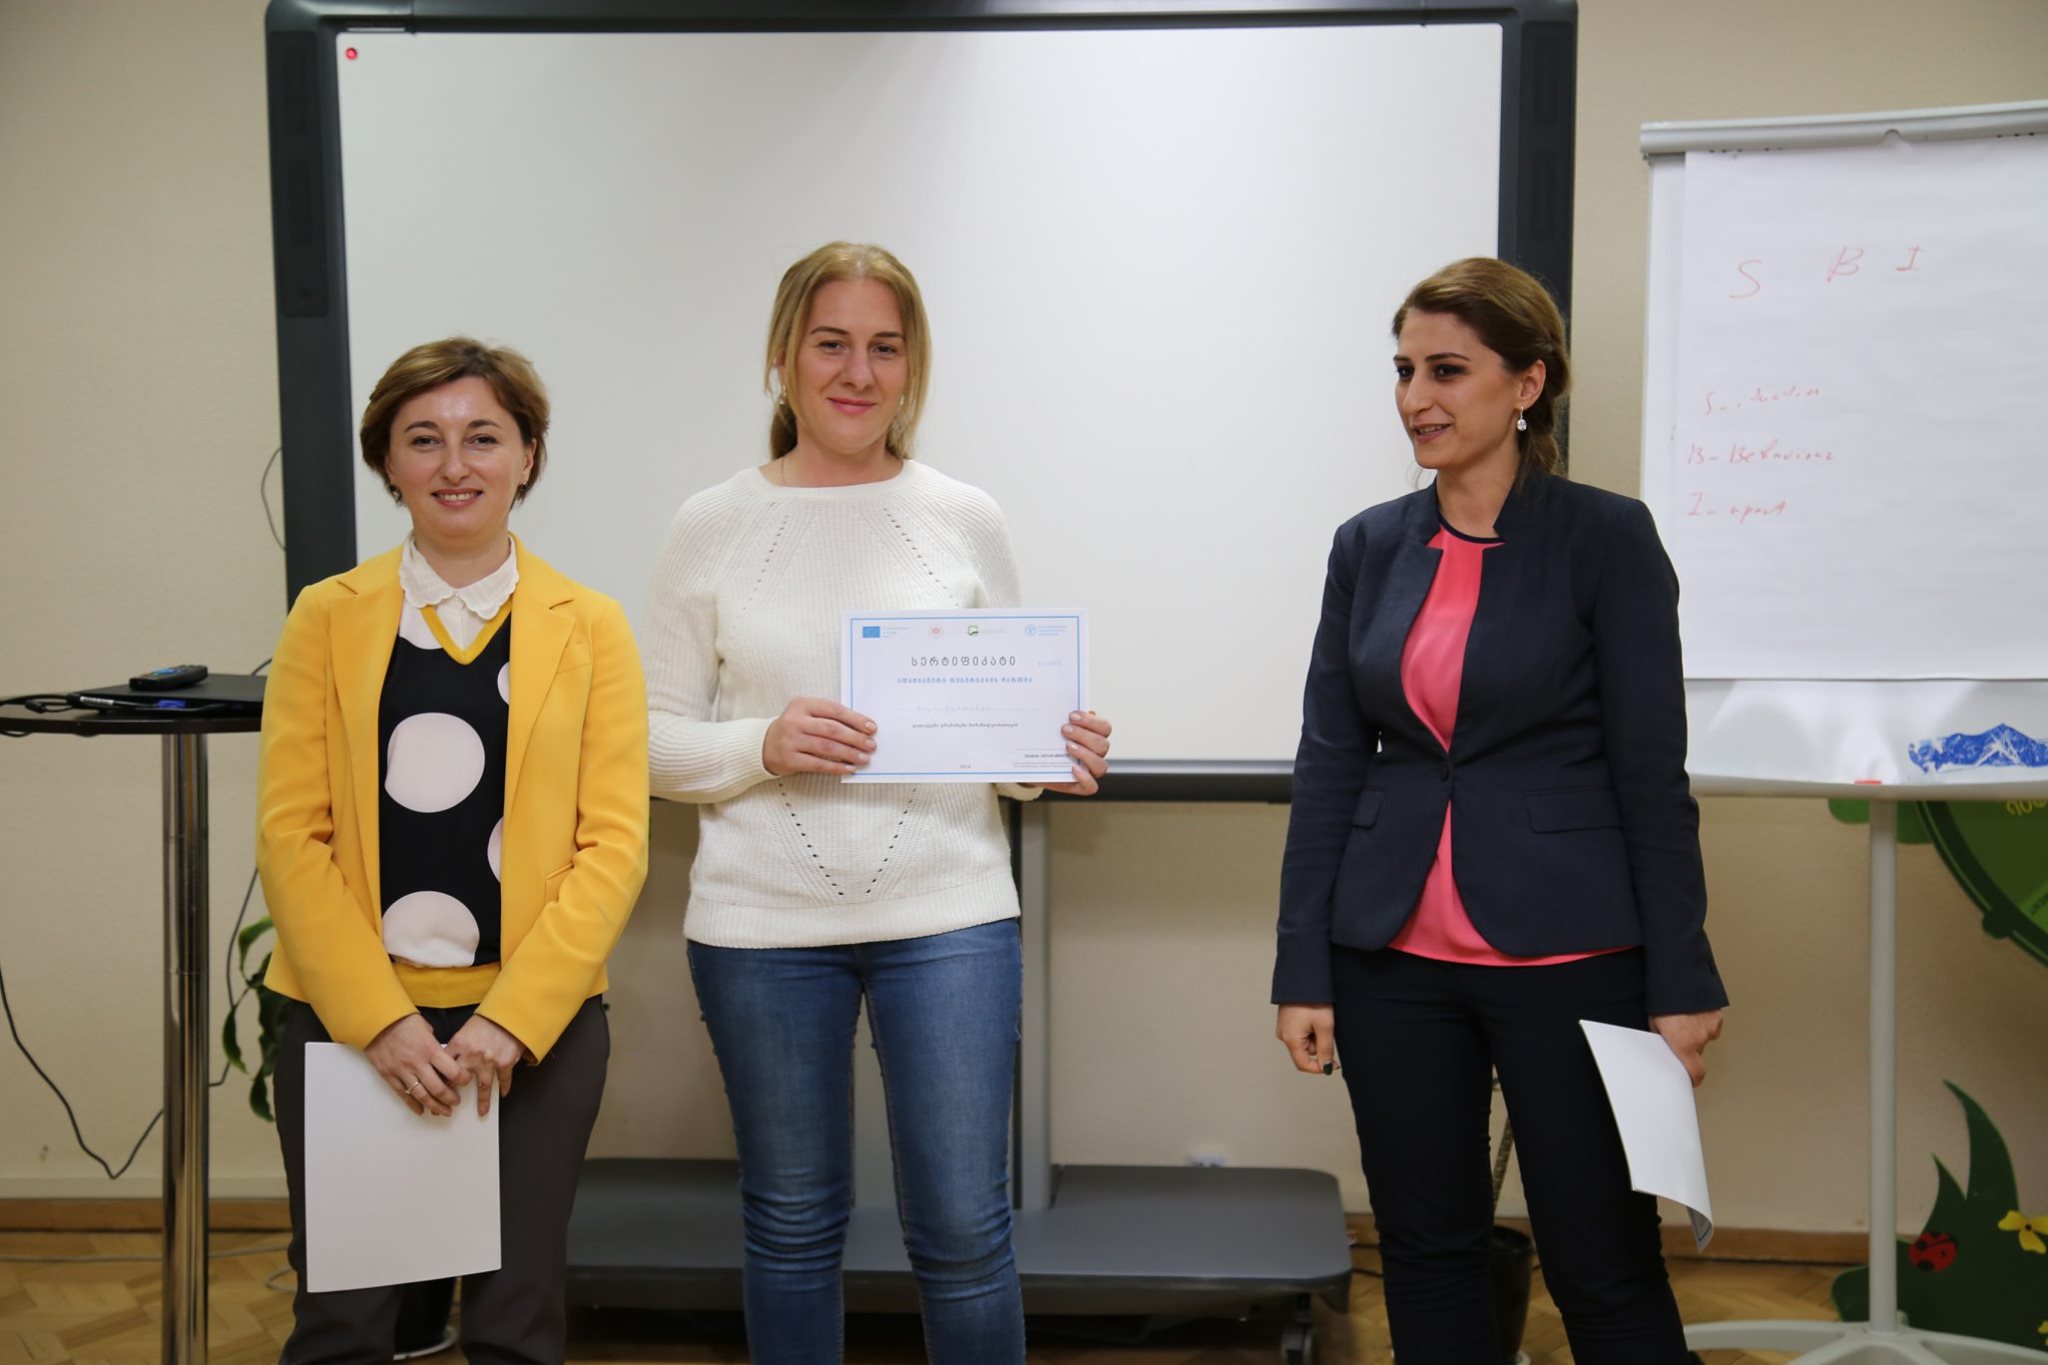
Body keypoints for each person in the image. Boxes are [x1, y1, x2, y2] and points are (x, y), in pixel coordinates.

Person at [644, 241, 1111, 1364]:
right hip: (760, 928)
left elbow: (1002, 742)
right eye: (831, 344)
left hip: (948, 917)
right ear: (782, 357)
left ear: (913, 368)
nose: (858, 372)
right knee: (792, 1224)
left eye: (885, 348)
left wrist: (1048, 753)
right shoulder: (710, 523)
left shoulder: (963, 516)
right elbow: (646, 742)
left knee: (963, 1231)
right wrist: (762, 742)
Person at [1271, 257, 1727, 1364]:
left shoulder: (1606, 537)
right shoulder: (1366, 546)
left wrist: (1680, 980)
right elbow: (1330, 764)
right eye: (1403, 371)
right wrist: (1302, 967)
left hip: (1573, 953)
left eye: (1446, 370)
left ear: (1527, 384)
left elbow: (1650, 774)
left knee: (1601, 1263)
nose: (1416, 397)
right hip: (1388, 956)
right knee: (1425, 1254)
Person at [256, 338, 650, 1364]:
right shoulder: (325, 617)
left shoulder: (591, 626)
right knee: (344, 1322)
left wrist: (510, 1022)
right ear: (387, 463)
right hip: (353, 1024)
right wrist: (380, 1022)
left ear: (528, 455)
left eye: (484, 437)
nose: (455, 464)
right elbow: (293, 834)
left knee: (516, 1322)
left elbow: (613, 844)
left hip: (533, 1035)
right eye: (423, 439)